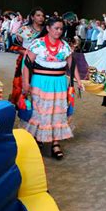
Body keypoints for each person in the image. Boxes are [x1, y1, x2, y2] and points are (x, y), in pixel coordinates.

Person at [21, 17, 82, 160]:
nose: (59, 31)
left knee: (58, 112)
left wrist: (78, 81)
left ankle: (55, 143)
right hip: (40, 83)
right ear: (48, 28)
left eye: (61, 29)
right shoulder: (37, 44)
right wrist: (25, 82)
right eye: (56, 28)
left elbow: (71, 65)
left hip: (59, 83)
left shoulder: (65, 46)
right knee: (41, 111)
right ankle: (39, 138)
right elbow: (27, 64)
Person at [9, 8, 45, 105]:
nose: (41, 18)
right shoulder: (24, 29)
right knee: (22, 81)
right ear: (32, 17)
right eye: (38, 15)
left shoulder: (46, 30)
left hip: (42, 61)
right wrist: (28, 54)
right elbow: (16, 46)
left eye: (42, 15)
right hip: (26, 60)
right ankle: (21, 103)